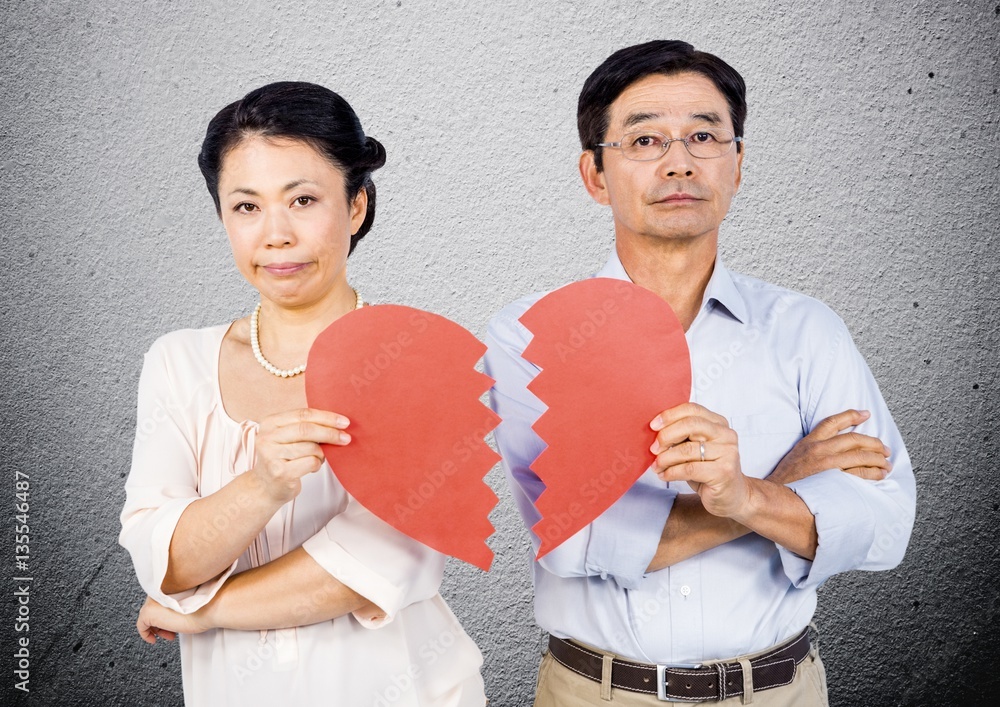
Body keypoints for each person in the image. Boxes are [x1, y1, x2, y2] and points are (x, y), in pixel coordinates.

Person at [485, 41, 915, 706]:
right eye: (646, 138)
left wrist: (745, 494)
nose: (680, 161)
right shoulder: (532, 333)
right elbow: (571, 543)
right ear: (594, 174)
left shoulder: (806, 330)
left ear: (737, 164)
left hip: (780, 690)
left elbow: (886, 525)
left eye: (705, 135)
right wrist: (780, 487)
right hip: (596, 692)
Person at [119, 82, 486, 707]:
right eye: (246, 206)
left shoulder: (420, 360)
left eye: (304, 199)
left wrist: (204, 612)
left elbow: (374, 565)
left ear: (357, 207)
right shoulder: (177, 362)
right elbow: (165, 563)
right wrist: (261, 486)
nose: (276, 234)